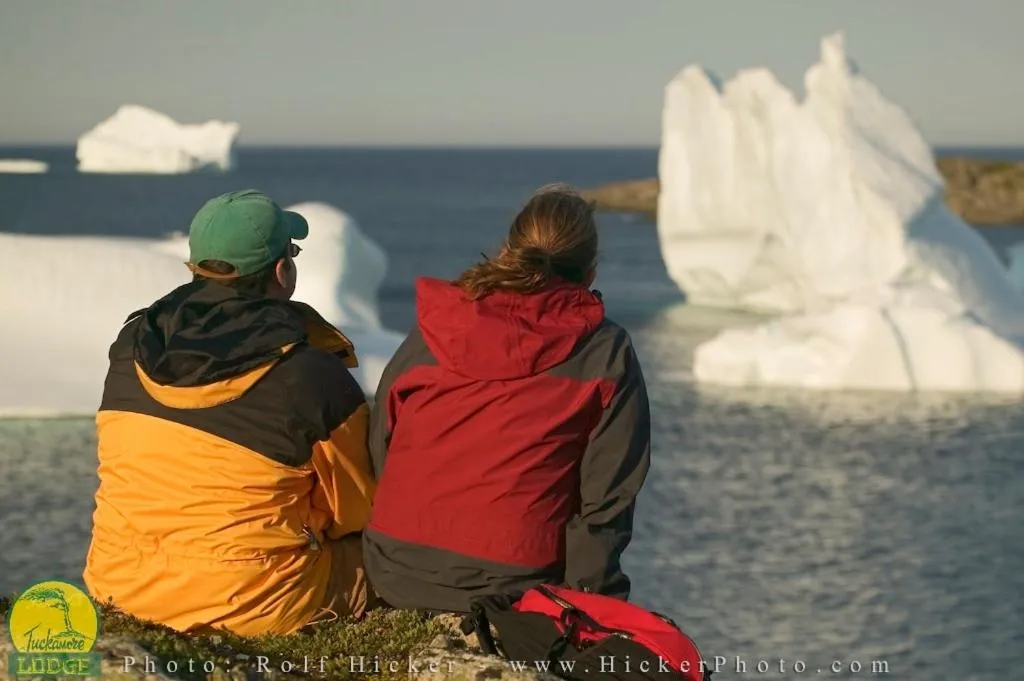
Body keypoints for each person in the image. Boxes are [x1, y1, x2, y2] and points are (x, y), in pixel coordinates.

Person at [83, 189, 377, 636]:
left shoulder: (131, 346)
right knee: (389, 559)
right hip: (253, 605)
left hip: (120, 590)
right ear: (282, 271)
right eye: (292, 252)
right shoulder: (307, 374)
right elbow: (357, 509)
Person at [363, 184, 652, 613]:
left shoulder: (440, 325)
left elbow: (381, 441)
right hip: (512, 583)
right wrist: (593, 608)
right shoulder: (604, 352)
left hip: (393, 568)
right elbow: (607, 500)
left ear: (507, 251)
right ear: (590, 272)